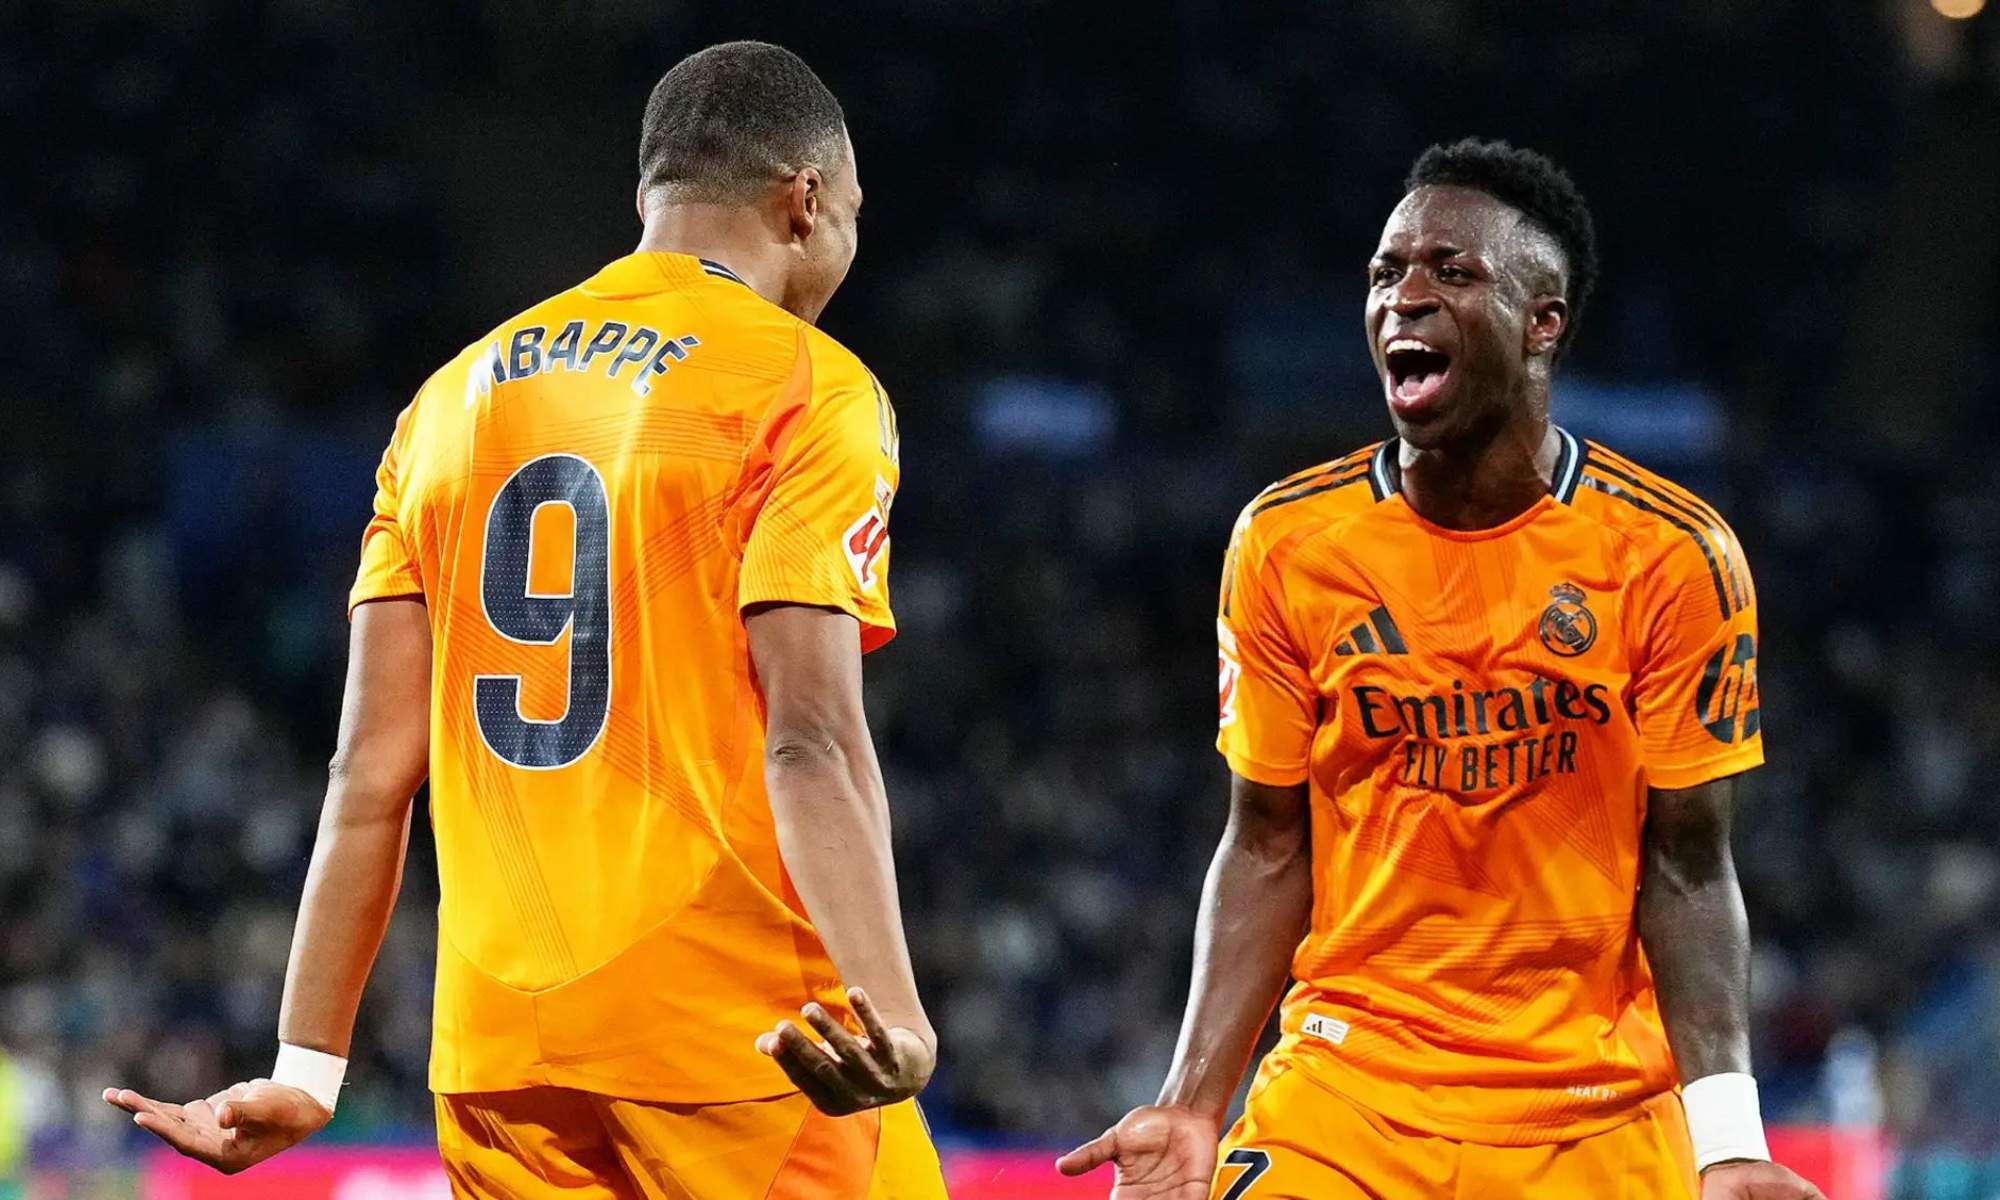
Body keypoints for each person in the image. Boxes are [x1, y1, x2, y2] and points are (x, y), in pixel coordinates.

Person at [103, 41, 947, 1199]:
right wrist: (891, 1012)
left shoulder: (444, 400)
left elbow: (367, 769)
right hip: (739, 1045)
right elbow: (809, 738)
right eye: (850, 212)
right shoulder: (808, 385)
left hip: (500, 1062)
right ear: (805, 200)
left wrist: (309, 1065)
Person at [1059, 139, 1823, 1200]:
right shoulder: (1287, 544)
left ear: (1539, 320)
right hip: (1349, 1097)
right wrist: (1191, 1101)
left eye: (1448, 273)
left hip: (1590, 1113)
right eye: (1384, 274)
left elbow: (1688, 868)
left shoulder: (1667, 556)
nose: (1401, 299)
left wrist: (1728, 1143)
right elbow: (1266, 842)